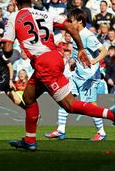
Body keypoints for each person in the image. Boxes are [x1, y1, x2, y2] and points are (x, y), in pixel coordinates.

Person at [1, 0, 115, 151]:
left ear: (16, 2)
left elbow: (7, 48)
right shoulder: (45, 14)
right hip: (54, 58)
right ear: (31, 1)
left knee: (70, 105)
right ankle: (29, 140)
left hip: (44, 64)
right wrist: (81, 48)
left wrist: (6, 53)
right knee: (28, 97)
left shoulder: (14, 17)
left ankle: (112, 115)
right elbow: (69, 25)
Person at [44, 9, 108, 141]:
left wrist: (93, 61)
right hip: (77, 75)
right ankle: (61, 130)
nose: (68, 23)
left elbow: (104, 51)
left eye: (71, 20)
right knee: (64, 98)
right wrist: (73, 63)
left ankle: (101, 132)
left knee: (90, 105)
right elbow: (78, 53)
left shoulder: (87, 35)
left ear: (79, 21)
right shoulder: (75, 34)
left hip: (89, 78)